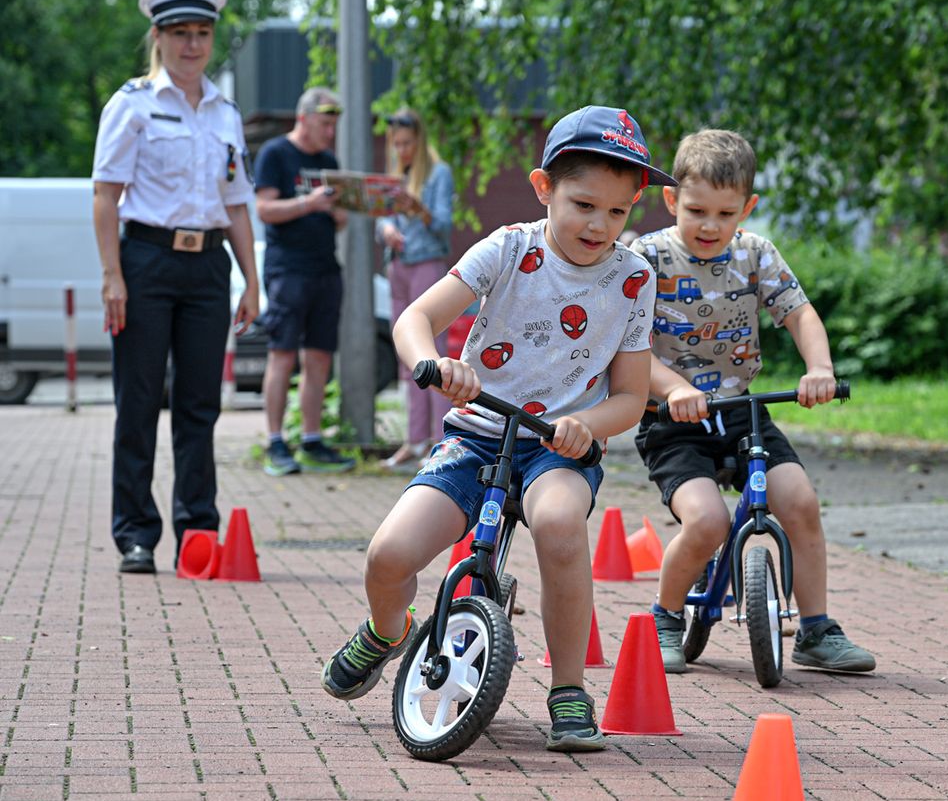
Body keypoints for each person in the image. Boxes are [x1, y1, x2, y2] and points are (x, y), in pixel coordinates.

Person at [321, 105, 671, 752]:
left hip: (556, 447)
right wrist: (435, 361)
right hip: (477, 431)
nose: (599, 225)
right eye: (583, 204)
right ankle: (386, 629)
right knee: (389, 554)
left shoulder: (634, 278)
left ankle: (569, 688)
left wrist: (585, 423)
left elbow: (629, 396)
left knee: (562, 524)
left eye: (617, 213)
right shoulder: (509, 247)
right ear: (544, 188)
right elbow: (414, 318)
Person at [630, 129, 876, 674]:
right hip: (672, 419)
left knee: (800, 503)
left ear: (748, 207)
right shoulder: (644, 258)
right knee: (706, 522)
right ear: (671, 200)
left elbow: (799, 313)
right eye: (696, 210)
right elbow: (626, 347)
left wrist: (820, 369)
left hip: (741, 411)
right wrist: (674, 389)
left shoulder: (755, 252)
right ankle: (664, 618)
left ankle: (816, 629)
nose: (711, 226)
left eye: (726, 212)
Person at [92, 0, 259, 575]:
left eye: (202, 33)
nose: (192, 45)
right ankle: (136, 533)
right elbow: (105, 195)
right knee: (137, 402)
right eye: (180, 32)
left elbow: (238, 202)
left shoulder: (225, 111)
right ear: (158, 37)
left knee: (198, 406)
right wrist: (113, 276)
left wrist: (252, 282)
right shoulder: (132, 104)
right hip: (146, 261)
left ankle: (197, 532)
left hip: (208, 266)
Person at [255, 88, 356, 475]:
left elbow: (341, 218)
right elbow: (264, 209)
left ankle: (312, 441)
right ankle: (276, 442)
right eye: (325, 124)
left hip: (325, 268)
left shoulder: (328, 161)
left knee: (318, 357)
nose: (330, 133)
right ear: (304, 118)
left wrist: (338, 212)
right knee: (282, 354)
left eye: (333, 125)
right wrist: (308, 204)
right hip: (287, 269)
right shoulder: (275, 154)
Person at [375, 108, 456, 468]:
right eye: (397, 144)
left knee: (433, 355)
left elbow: (442, 227)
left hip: (427, 264)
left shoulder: (439, 174)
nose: (401, 150)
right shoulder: (396, 175)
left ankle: (441, 441)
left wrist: (417, 208)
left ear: (419, 141)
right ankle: (414, 439)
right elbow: (383, 220)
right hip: (399, 267)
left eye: (407, 143)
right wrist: (386, 231)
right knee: (406, 356)